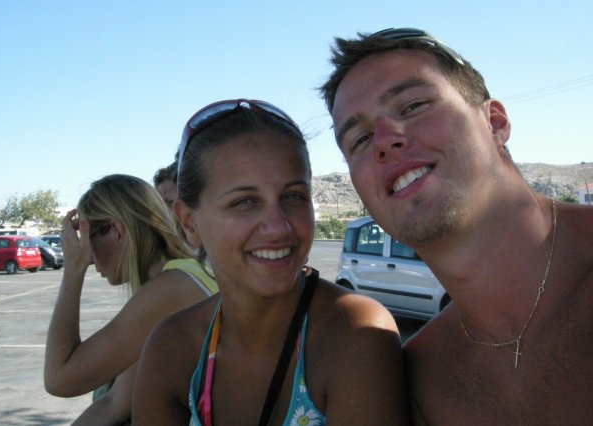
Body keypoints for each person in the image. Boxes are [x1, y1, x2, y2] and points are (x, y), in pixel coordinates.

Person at [320, 28, 593, 423]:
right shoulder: (420, 384)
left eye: (413, 106)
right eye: (359, 139)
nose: (384, 141)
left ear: (494, 122)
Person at [133, 99, 407, 425]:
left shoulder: (356, 333)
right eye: (245, 202)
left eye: (293, 196)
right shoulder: (173, 348)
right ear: (189, 223)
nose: (279, 227)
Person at [44, 174, 218, 424]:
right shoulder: (185, 273)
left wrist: (73, 272)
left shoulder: (170, 290)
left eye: (88, 241)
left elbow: (59, 379)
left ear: (116, 231)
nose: (89, 257)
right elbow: (115, 402)